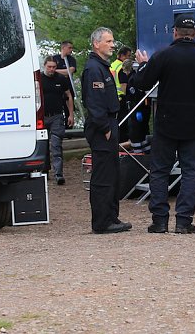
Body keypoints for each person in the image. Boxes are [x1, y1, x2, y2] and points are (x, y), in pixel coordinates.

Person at [131, 14, 195, 234]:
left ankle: (160, 220)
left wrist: (141, 65)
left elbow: (142, 82)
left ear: (175, 33)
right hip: (193, 122)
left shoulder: (163, 56)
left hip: (166, 122)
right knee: (190, 172)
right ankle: (184, 220)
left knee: (159, 171)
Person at [81, 27, 132, 234]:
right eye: (109, 41)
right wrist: (104, 128)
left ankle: (111, 217)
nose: (113, 45)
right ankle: (102, 222)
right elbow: (94, 102)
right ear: (96, 44)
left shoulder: (103, 66)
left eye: (112, 41)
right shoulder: (93, 68)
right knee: (103, 176)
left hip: (110, 124)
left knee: (112, 173)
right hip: (102, 127)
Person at [40, 57, 74, 185]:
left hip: (57, 116)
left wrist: (71, 115)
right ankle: (44, 171)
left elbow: (68, 96)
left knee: (56, 145)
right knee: (43, 145)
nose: (51, 69)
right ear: (44, 66)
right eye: (49, 67)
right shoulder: (39, 79)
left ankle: (58, 174)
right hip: (42, 117)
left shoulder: (61, 79)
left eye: (53, 67)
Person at [122, 58, 151, 154]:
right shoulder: (138, 77)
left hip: (136, 109)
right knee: (142, 132)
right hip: (142, 108)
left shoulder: (132, 79)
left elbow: (134, 96)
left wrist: (137, 110)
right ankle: (147, 152)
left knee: (135, 133)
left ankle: (138, 154)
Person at [111, 46, 133, 143]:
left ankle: (117, 143)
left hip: (113, 97)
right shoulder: (122, 66)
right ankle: (122, 145)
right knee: (124, 124)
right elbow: (124, 84)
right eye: (128, 56)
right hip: (121, 98)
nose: (129, 58)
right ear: (122, 55)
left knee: (117, 122)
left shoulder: (113, 65)